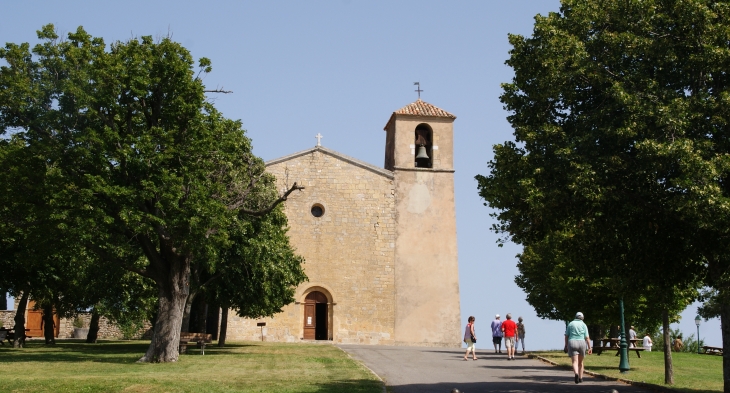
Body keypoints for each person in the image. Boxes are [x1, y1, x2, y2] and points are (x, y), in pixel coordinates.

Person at [564, 312, 592, 384]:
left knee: (574, 362)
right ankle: (580, 378)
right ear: (582, 318)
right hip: (582, 342)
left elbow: (566, 336)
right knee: (581, 362)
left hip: (572, 342)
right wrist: (589, 347)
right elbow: (587, 337)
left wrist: (566, 345)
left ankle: (576, 373)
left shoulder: (571, 324)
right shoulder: (583, 324)